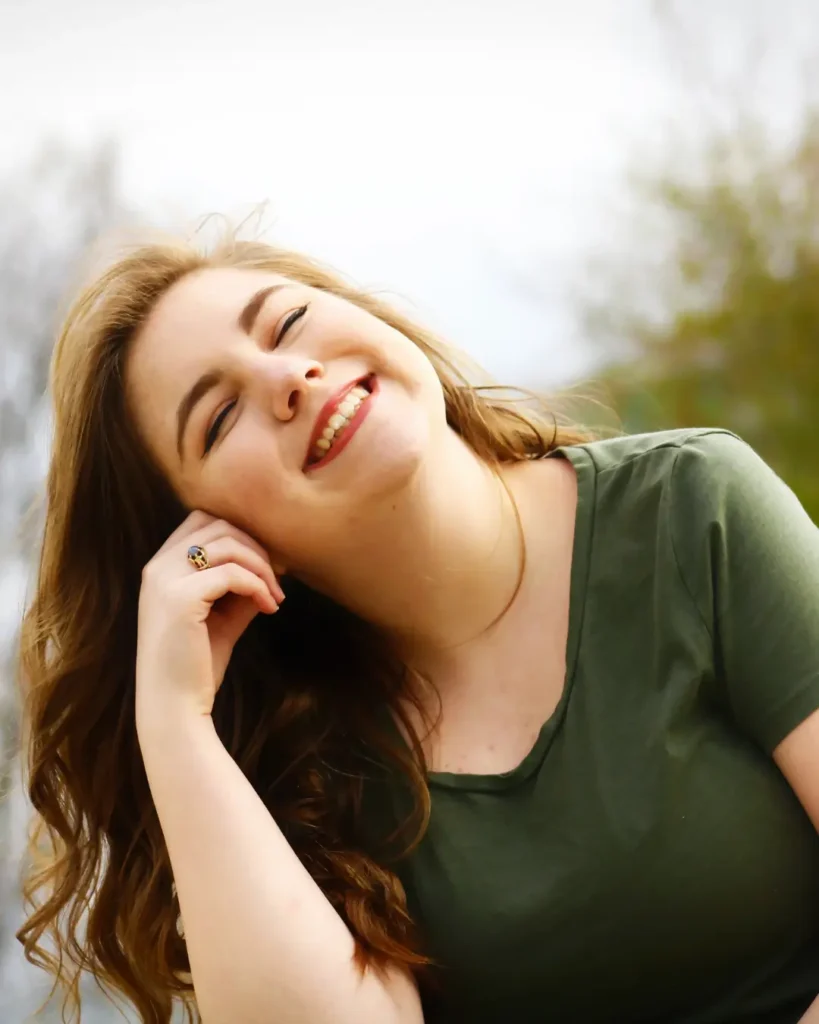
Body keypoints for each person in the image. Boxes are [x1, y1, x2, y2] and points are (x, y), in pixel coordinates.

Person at [15, 225, 819, 1024]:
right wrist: (174, 721)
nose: (288, 375)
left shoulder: (691, 508)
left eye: (287, 323)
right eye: (220, 417)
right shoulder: (293, 767)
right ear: (203, 533)